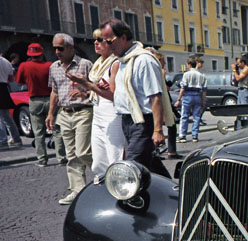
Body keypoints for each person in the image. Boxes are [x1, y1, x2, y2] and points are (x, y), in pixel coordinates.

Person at [100, 17, 173, 177]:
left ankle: (126, 200)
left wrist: (157, 130)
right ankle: (174, 193)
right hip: (128, 121)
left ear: (123, 37)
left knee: (131, 168)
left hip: (142, 122)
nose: (106, 46)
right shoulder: (124, 61)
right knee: (150, 164)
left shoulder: (143, 60)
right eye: (103, 41)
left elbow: (155, 97)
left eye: (109, 41)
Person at [66, 29, 126, 176]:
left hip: (112, 115)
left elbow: (113, 96)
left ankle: (119, 188)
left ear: (111, 43)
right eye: (95, 39)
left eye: (100, 39)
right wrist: (86, 92)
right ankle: (104, 187)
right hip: (98, 113)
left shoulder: (115, 64)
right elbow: (98, 91)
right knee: (99, 161)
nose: (96, 43)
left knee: (115, 156)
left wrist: (87, 84)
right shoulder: (98, 64)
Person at [46, 33, 93, 205]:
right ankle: (78, 190)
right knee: (71, 155)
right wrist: (51, 113)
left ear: (71, 48)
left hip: (84, 111)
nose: (57, 51)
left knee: (83, 151)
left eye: (61, 48)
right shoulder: (54, 67)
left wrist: (84, 92)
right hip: (64, 114)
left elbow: (97, 88)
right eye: (55, 48)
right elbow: (54, 92)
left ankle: (106, 175)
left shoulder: (85, 64)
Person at [175, 57, 207, 142]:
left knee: (184, 116)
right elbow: (204, 91)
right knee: (196, 117)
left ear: (189, 65)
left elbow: (183, 87)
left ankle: (182, 136)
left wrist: (178, 99)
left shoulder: (186, 74)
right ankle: (195, 136)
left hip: (188, 95)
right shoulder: (202, 75)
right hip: (197, 95)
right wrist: (203, 101)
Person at [0, 54, 22, 149]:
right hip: (4, 88)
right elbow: (11, 79)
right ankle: (16, 138)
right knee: (6, 116)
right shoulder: (6, 62)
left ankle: (2, 140)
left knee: (2, 116)